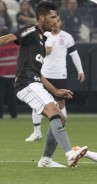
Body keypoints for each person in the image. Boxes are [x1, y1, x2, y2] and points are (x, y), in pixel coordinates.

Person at [0, 1, 87, 167]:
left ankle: (46, 160)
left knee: (60, 118)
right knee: (54, 111)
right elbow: (8, 39)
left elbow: (39, 74)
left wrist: (56, 90)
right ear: (41, 18)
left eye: (57, 18)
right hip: (25, 83)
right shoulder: (32, 31)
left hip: (35, 82)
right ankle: (70, 153)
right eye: (52, 17)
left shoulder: (42, 40)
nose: (56, 21)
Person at [25, 17, 85, 142]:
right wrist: (44, 50)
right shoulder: (44, 35)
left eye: (58, 21)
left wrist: (80, 70)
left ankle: (60, 130)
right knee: (37, 102)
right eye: (53, 21)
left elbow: (74, 54)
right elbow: (34, 52)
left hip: (60, 74)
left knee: (61, 103)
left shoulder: (67, 37)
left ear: (61, 22)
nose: (55, 23)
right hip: (44, 74)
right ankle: (36, 132)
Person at [0, 27, 19, 119]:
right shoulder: (16, 46)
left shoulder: (1, 47)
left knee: (1, 96)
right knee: (12, 96)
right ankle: (14, 114)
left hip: (2, 74)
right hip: (14, 74)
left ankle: (0, 115)